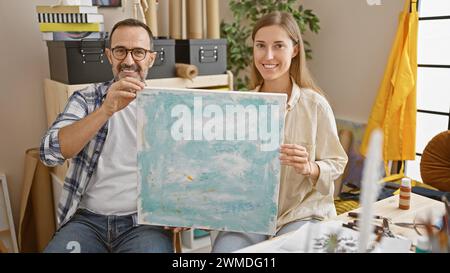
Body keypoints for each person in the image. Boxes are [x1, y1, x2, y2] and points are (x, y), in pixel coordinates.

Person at [40, 18, 184, 253]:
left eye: (138, 52)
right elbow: (49, 153)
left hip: (144, 224)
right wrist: (106, 109)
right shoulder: (86, 99)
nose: (128, 61)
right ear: (109, 55)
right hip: (86, 221)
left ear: (151, 58)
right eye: (120, 51)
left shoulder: (169, 105)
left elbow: (186, 168)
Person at [211, 11, 348, 252]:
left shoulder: (315, 105)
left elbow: (337, 163)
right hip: (249, 216)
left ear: (294, 50)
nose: (269, 56)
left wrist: (311, 168)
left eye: (279, 46)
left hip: (301, 214)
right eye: (260, 46)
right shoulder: (240, 106)